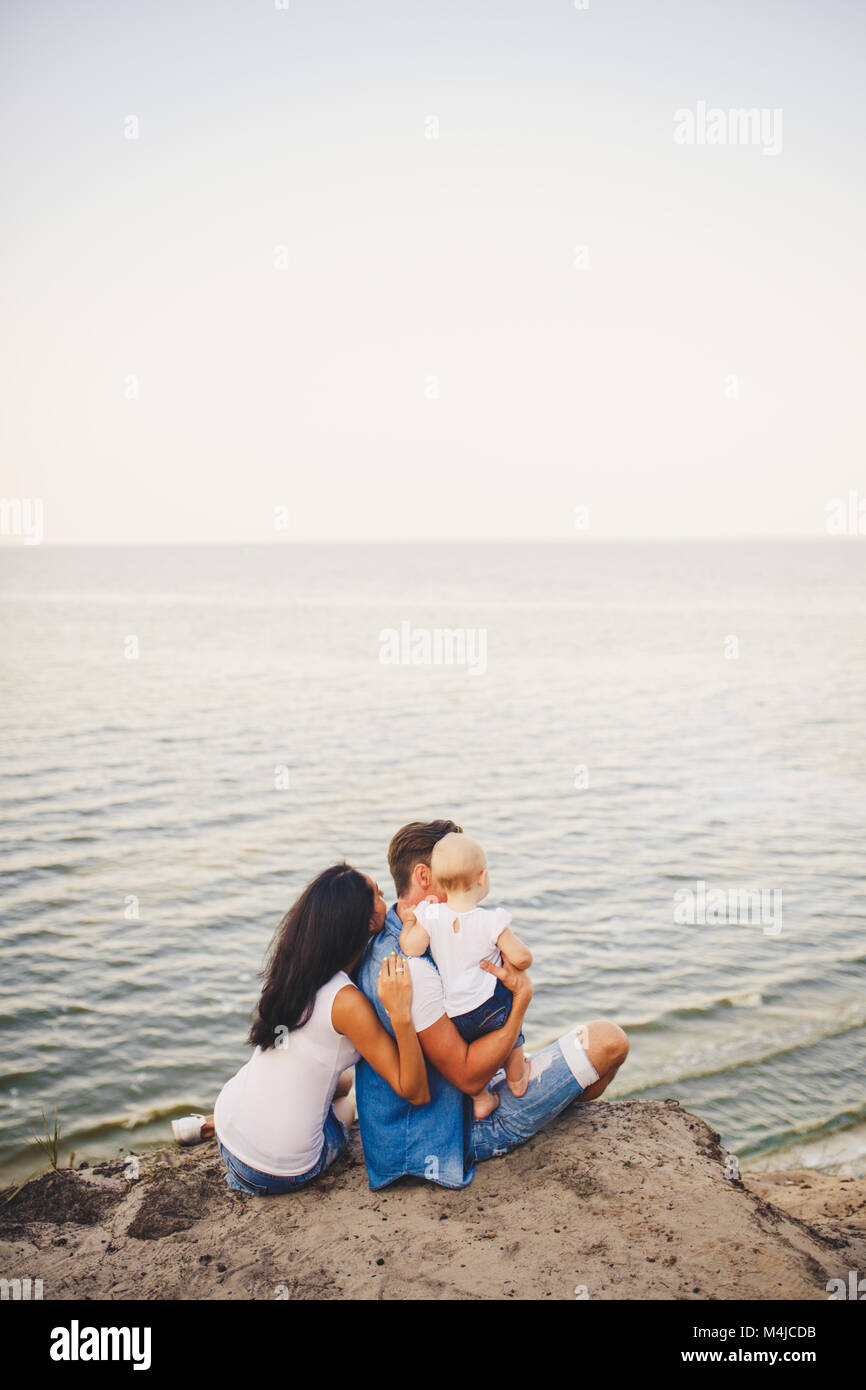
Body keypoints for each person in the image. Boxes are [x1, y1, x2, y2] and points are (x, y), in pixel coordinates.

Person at [354, 820, 629, 1190]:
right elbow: (468, 1076)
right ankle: (543, 1107)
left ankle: (544, 1098)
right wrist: (521, 1002)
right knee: (608, 1041)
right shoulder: (409, 968)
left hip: (454, 1098)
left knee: (564, 1065)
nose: (464, 879)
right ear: (424, 875)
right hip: (451, 1133)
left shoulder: (409, 926)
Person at [175, 864, 429, 1195]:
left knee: (341, 1081)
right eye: (380, 895)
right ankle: (220, 1129)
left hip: (229, 1126)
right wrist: (402, 1015)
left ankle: (206, 1126)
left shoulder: (296, 968)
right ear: (367, 922)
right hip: (273, 1173)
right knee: (346, 1106)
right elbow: (416, 1091)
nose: (386, 900)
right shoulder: (347, 1002)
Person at [398, 831, 532, 1119]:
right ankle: (517, 1077)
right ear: (482, 877)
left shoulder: (430, 916)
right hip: (490, 1007)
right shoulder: (490, 919)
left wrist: (410, 923)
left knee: (476, 1042)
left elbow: (411, 947)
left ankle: (480, 1097)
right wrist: (517, 964)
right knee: (510, 1016)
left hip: (457, 1017)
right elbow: (522, 958)